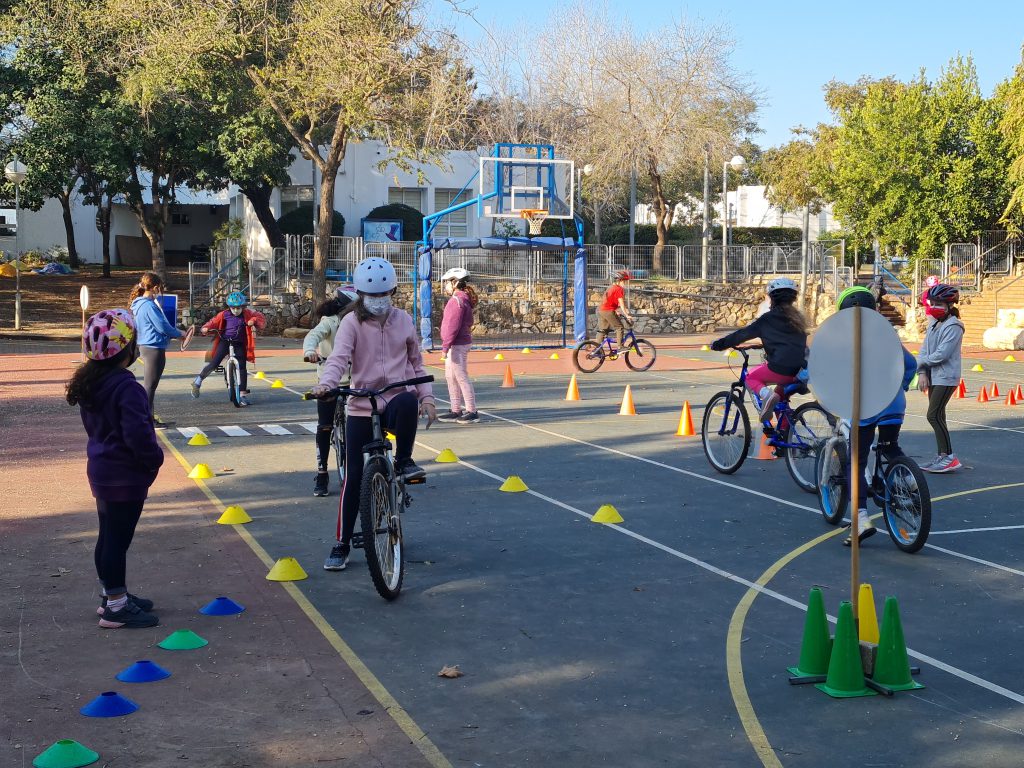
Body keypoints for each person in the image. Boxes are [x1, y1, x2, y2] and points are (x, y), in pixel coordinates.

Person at [311, 257, 437, 571]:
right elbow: (338, 359)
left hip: (394, 399)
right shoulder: (351, 323)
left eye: (383, 295)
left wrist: (428, 399)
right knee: (353, 477)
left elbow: (417, 364)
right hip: (361, 405)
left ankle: (404, 460)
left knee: (408, 401)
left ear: (392, 291)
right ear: (361, 295)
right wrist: (326, 385)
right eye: (371, 295)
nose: (378, 301)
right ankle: (341, 543)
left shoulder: (404, 320)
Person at [66, 309, 163, 629]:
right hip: (125, 475)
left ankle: (111, 594)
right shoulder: (127, 388)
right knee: (117, 541)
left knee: (108, 536)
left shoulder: (92, 383)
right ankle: (116, 608)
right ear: (128, 350)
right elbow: (137, 433)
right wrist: (154, 458)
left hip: (102, 471)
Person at [832, 287, 917, 545]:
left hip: (865, 405)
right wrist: (899, 387)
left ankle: (860, 518)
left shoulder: (843, 340)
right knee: (890, 445)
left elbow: (830, 371)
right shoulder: (887, 333)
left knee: (856, 460)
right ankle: (908, 478)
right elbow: (910, 364)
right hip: (893, 401)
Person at [710, 277, 808, 421]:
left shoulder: (767, 319)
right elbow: (790, 342)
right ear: (793, 298)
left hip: (780, 369)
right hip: (799, 371)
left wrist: (719, 344)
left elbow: (742, 335)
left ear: (772, 298)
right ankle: (786, 436)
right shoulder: (798, 319)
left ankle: (767, 395)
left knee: (751, 378)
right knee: (780, 400)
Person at [303, 287, 358, 497]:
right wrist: (310, 352)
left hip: (355, 381)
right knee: (325, 427)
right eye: (356, 306)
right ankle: (322, 472)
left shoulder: (360, 323)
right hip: (329, 381)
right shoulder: (330, 322)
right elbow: (312, 336)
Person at [917, 284, 965, 473]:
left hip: (946, 376)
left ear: (949, 305)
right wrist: (922, 372)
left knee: (933, 415)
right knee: (939, 415)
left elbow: (941, 355)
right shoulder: (933, 323)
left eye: (939, 303)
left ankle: (950, 457)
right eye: (933, 303)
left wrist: (919, 363)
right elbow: (925, 349)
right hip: (933, 375)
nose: (934, 306)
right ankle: (942, 455)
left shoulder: (954, 326)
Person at [129, 271, 185, 427]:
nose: (160, 291)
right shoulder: (148, 306)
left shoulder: (139, 304)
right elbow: (162, 326)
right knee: (149, 386)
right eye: (160, 288)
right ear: (155, 288)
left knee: (149, 386)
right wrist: (179, 333)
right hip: (154, 347)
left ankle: (148, 419)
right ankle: (146, 420)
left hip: (147, 345)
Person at [191, 292, 267, 407]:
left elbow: (260, 319)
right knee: (214, 363)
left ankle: (242, 394)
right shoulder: (224, 314)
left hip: (239, 343)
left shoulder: (247, 314)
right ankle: (198, 381)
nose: (236, 310)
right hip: (225, 341)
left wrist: (254, 320)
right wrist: (205, 328)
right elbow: (213, 322)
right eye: (233, 308)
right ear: (229, 307)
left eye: (238, 308)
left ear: (243, 306)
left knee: (242, 368)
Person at [436, 267, 480, 425]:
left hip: (457, 344)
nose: (446, 285)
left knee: (461, 377)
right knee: (450, 377)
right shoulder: (460, 299)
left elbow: (451, 326)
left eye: (448, 282)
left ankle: (472, 411)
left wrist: (445, 346)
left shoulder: (457, 301)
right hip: (456, 343)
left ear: (454, 283)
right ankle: (456, 409)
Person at [596, 270, 634, 350]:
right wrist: (627, 315)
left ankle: (597, 349)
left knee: (603, 330)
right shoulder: (619, 289)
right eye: (624, 281)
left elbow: (609, 300)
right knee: (619, 327)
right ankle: (620, 347)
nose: (625, 283)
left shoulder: (611, 287)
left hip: (601, 310)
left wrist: (616, 310)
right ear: (619, 280)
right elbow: (621, 303)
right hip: (607, 311)